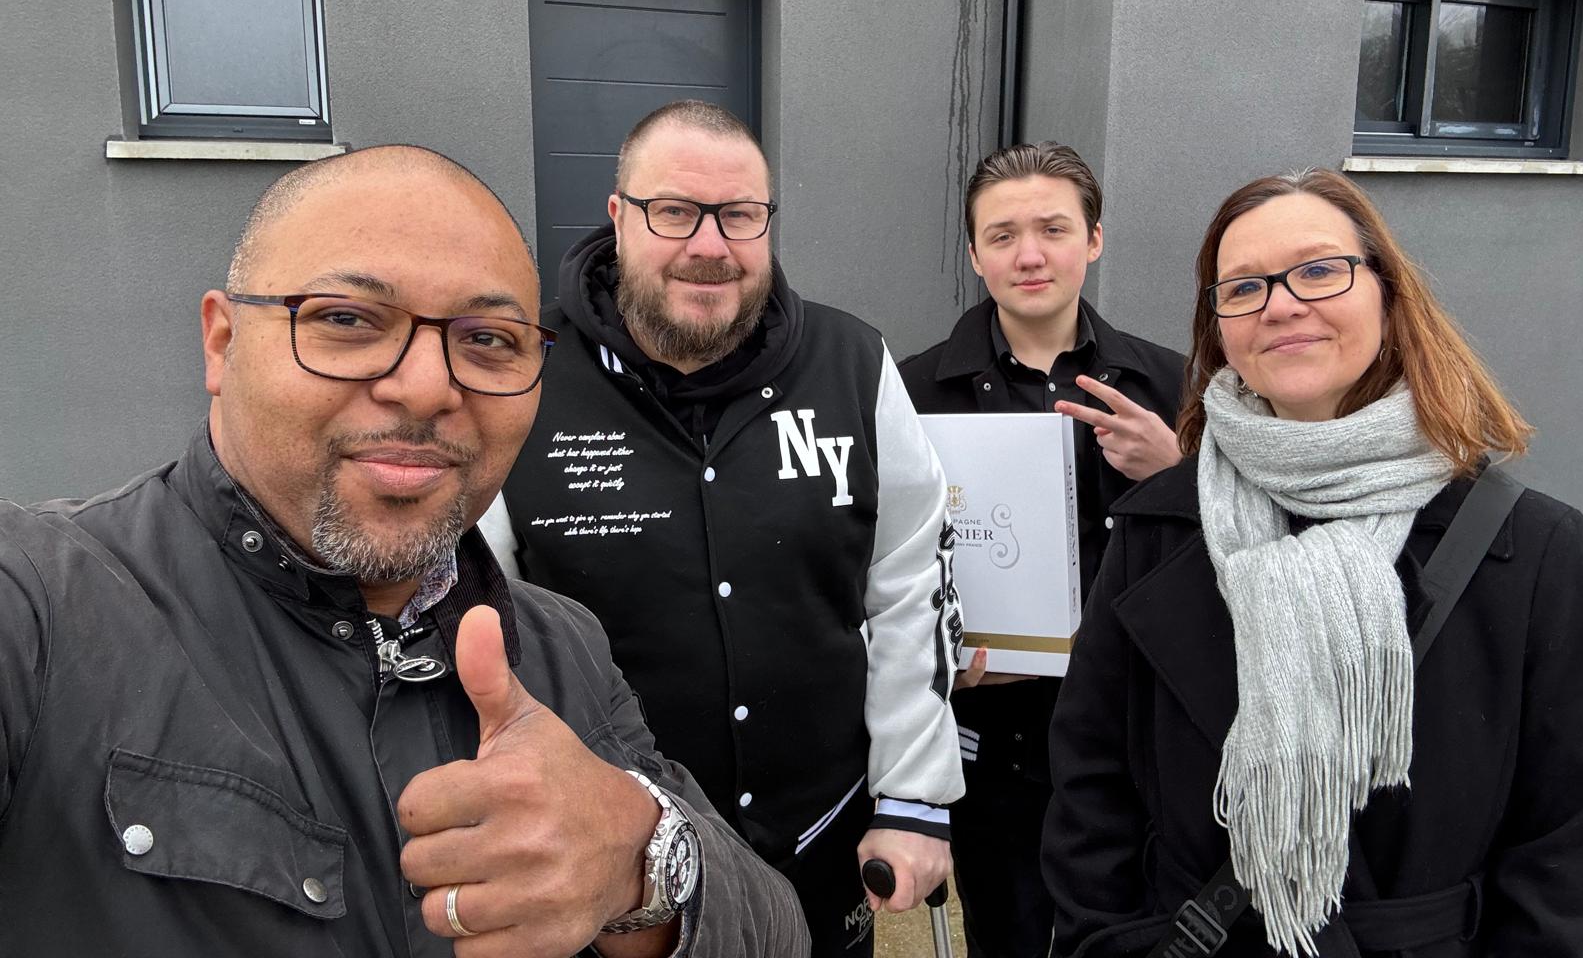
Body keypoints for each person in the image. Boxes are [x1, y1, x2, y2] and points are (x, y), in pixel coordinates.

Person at [0, 146, 807, 957]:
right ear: (221, 341)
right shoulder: (42, 609)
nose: (426, 388)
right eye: (346, 320)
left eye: (488, 339)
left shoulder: (563, 649)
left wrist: (644, 865)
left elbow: (777, 933)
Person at [1042, 168, 1583, 957]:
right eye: (1242, 287)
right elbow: (1090, 782)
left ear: (1387, 292)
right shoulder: (1158, 528)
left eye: (1317, 270)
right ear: (1219, 328)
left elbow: (1570, 838)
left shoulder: (1533, 547)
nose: (1279, 304)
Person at [490, 100, 965, 955]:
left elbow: (910, 586)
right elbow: (473, 616)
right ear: (618, 216)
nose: (710, 246)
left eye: (740, 215)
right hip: (614, 873)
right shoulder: (524, 375)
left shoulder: (855, 364)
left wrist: (913, 801)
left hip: (817, 846)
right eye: (674, 211)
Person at [898, 142, 1184, 958]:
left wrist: (1177, 474)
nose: (1030, 255)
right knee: (1011, 934)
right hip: (995, 746)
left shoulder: (1175, 385)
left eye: (1054, 229)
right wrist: (935, 653)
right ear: (975, 255)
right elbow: (879, 561)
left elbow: (1237, 552)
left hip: (1142, 741)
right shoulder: (910, 390)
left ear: (1094, 240)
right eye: (1003, 235)